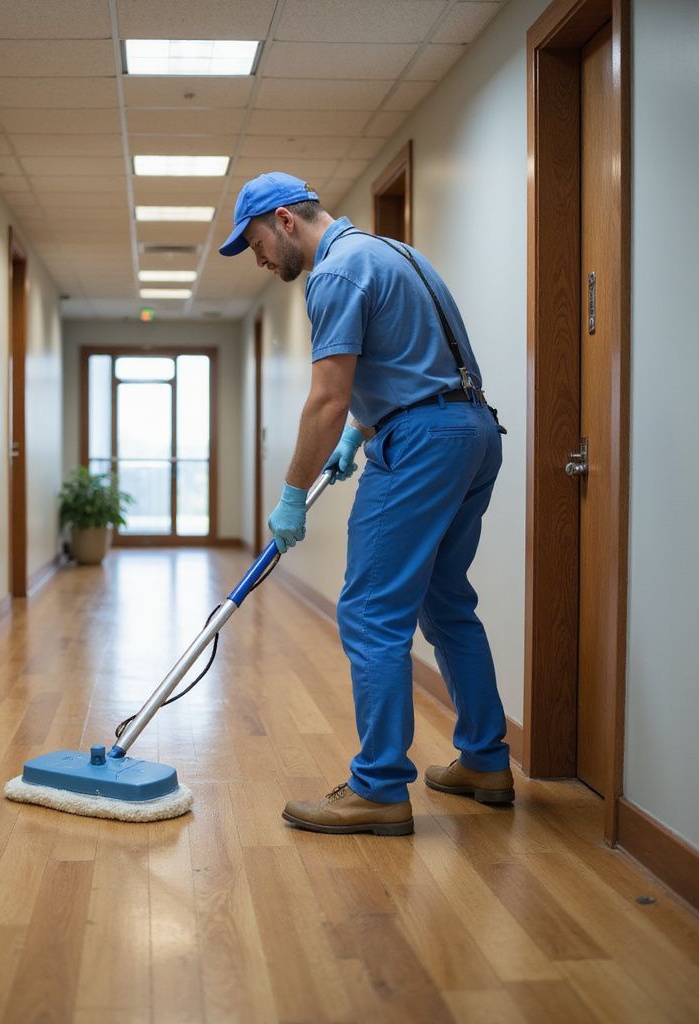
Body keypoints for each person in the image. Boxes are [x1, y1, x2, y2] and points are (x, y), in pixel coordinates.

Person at [220, 172, 514, 836]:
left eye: (258, 243)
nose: (262, 261)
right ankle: (486, 760)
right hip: (471, 431)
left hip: (422, 442)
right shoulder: (397, 255)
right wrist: (360, 430)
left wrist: (292, 495)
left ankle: (378, 788)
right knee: (446, 603)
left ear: (286, 221)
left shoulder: (335, 273)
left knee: (370, 611)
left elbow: (327, 395)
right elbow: (415, 361)